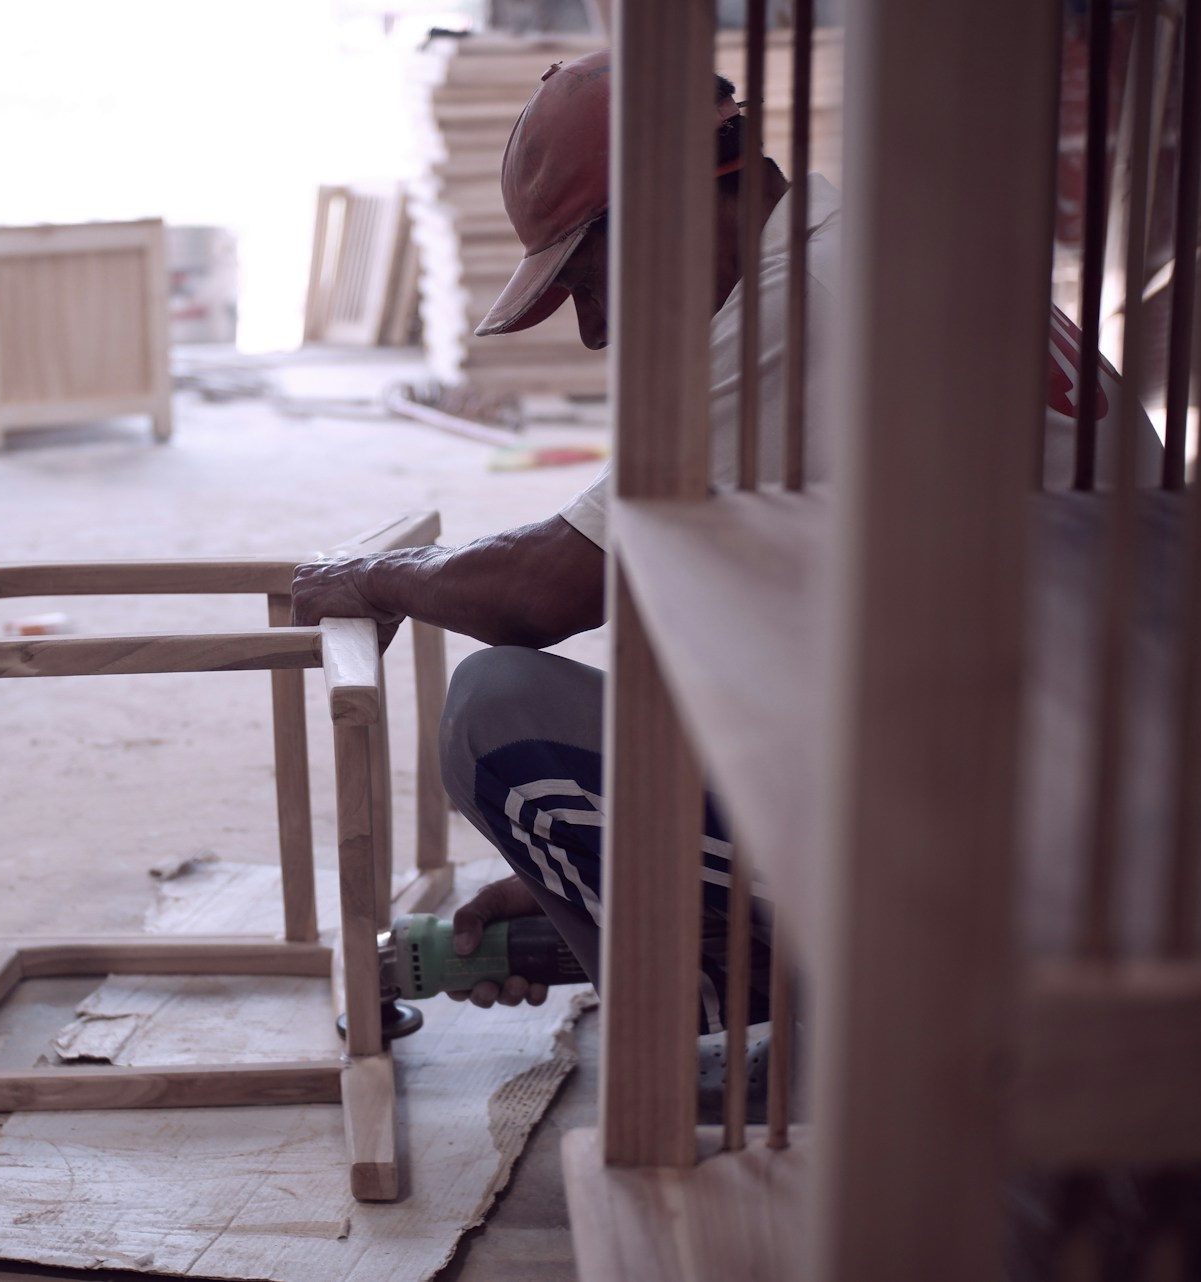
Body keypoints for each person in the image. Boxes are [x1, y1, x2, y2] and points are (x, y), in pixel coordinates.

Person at [291, 49, 1149, 1023]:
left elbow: (543, 592)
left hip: (1040, 852)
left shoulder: (792, 305)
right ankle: (753, 975)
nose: (596, 334)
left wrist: (377, 576)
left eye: (588, 280)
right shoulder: (880, 245)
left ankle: (733, 1048)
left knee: (497, 717)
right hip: (1097, 789)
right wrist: (599, 857)